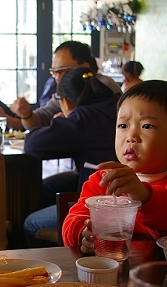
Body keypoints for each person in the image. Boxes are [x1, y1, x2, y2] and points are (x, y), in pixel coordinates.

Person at [62, 80, 167, 252]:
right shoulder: (102, 181)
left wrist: (146, 197)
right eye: (123, 125)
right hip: (108, 273)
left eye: (147, 126)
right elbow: (72, 224)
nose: (131, 136)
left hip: (162, 275)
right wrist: (83, 234)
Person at [23, 67, 119, 247]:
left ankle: (57, 264)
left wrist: (60, 122)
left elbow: (32, 145)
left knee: (31, 222)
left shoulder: (82, 117)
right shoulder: (115, 105)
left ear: (65, 102)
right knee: (46, 188)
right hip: (120, 188)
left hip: (100, 200)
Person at [10, 41, 121, 131]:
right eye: (54, 72)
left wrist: (64, 122)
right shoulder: (64, 92)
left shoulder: (104, 88)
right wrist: (26, 114)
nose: (58, 77)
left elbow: (92, 128)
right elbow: (41, 118)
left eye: (63, 71)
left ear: (84, 67)